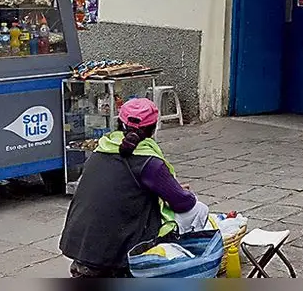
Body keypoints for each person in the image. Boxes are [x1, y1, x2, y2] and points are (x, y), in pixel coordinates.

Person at [59, 98, 209, 278]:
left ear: (119, 124)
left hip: (79, 243)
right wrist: (175, 192)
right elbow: (184, 203)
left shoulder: (100, 150)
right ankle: (172, 267)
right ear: (153, 129)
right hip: (118, 250)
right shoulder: (150, 162)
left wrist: (167, 191)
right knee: (199, 210)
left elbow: (120, 190)